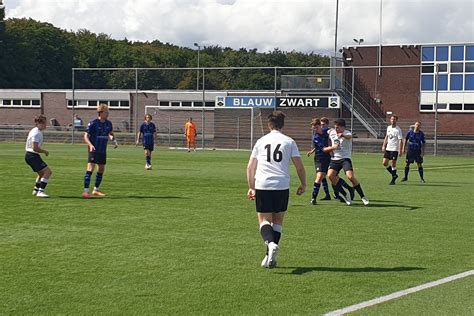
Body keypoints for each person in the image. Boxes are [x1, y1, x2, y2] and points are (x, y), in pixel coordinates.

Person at [246, 111, 306, 269]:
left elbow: (250, 167)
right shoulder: (289, 142)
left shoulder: (261, 141)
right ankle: (270, 254)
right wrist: (303, 184)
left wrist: (251, 187)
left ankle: (270, 246)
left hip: (263, 184)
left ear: (269, 124)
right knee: (278, 220)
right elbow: (299, 166)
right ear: (282, 124)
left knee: (263, 219)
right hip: (281, 185)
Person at [306, 117, 351, 204]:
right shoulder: (316, 137)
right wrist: (333, 147)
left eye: (316, 127)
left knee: (334, 177)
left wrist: (344, 135)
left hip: (330, 158)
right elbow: (323, 149)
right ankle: (313, 198)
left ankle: (343, 192)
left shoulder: (327, 131)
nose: (315, 130)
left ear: (320, 126)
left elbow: (335, 132)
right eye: (313, 128)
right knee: (320, 176)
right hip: (320, 159)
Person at [326, 119, 369, 206]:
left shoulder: (347, 133)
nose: (336, 129)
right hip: (335, 159)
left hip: (345, 158)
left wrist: (343, 135)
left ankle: (363, 196)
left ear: (343, 127)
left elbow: (349, 137)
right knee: (330, 176)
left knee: (350, 176)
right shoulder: (331, 132)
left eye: (337, 127)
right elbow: (325, 131)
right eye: (335, 127)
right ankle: (345, 195)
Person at [82, 104, 118, 198]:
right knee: (90, 169)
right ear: (101, 112)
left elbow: (110, 133)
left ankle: (96, 190)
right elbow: (86, 136)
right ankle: (86, 191)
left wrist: (113, 140)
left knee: (101, 169)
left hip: (102, 150)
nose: (108, 113)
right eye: (106, 112)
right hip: (93, 149)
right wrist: (90, 145)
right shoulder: (93, 123)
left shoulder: (108, 123)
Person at [24, 115, 52, 198]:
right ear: (37, 123)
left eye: (45, 122)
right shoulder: (36, 133)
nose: (45, 124)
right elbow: (35, 148)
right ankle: (40, 191)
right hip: (32, 156)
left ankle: (36, 190)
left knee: (41, 174)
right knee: (48, 172)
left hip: (30, 156)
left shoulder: (35, 130)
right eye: (42, 123)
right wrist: (45, 151)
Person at [381, 115, 403, 185]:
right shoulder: (388, 128)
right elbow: (386, 137)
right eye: (392, 119)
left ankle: (393, 180)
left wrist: (400, 150)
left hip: (394, 149)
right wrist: (384, 145)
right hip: (388, 148)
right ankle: (394, 175)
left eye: (394, 119)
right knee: (384, 163)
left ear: (396, 120)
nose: (393, 120)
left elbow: (400, 140)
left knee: (393, 164)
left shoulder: (398, 129)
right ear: (390, 120)